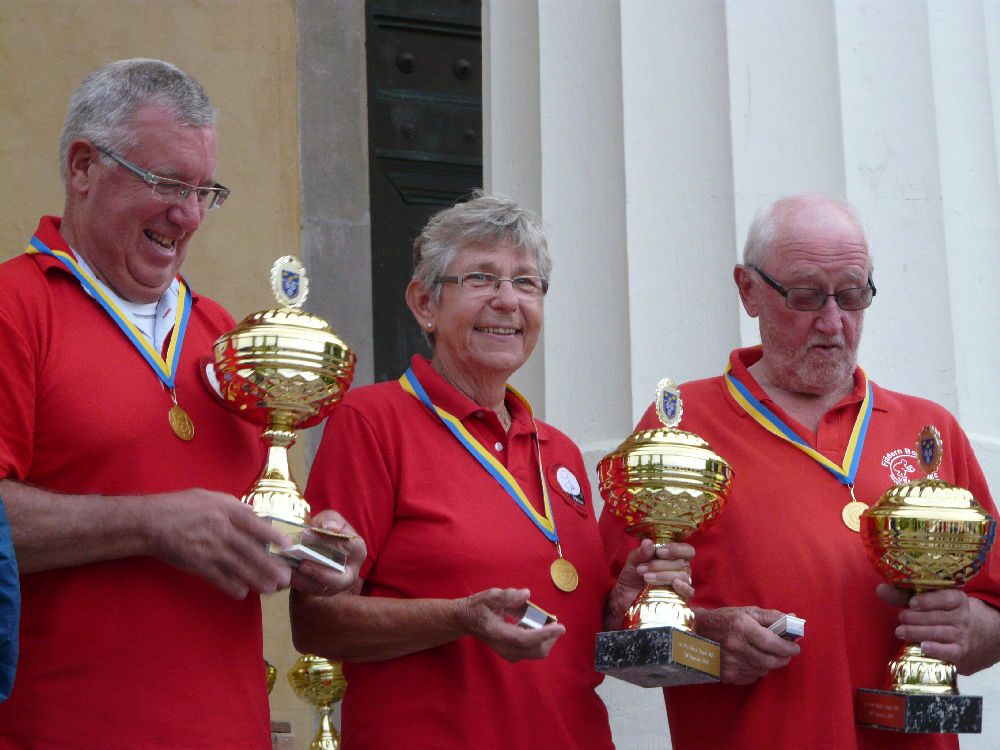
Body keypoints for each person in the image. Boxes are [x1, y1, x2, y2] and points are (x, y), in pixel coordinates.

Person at [0, 58, 364, 749]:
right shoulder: (14, 307)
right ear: (83, 167)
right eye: (167, 183)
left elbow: (249, 521)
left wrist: (314, 547)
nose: (189, 215)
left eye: (206, 191)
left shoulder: (228, 339)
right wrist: (150, 524)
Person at [291, 191, 692, 749]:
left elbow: (564, 641)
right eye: (481, 278)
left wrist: (619, 602)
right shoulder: (372, 422)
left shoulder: (561, 453)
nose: (507, 301)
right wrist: (460, 618)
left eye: (526, 283)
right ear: (424, 304)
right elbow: (315, 621)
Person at [600, 193, 1000, 750]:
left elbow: (994, 614)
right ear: (748, 290)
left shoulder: (930, 433)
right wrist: (706, 637)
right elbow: (613, 621)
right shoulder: (680, 429)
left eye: (853, 295)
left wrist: (969, 629)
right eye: (807, 295)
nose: (833, 321)